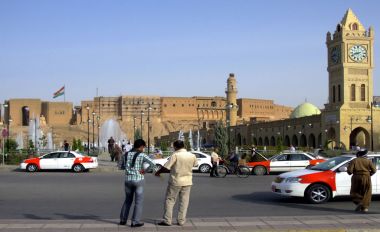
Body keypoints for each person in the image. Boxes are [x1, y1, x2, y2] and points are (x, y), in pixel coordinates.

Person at [155, 140, 198, 226]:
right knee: (184, 202)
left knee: (170, 200)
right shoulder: (192, 155)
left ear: (175, 147)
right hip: (187, 181)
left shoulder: (175, 155)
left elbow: (166, 167)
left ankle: (167, 220)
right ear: (183, 146)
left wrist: (158, 172)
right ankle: (181, 220)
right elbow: (195, 165)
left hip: (175, 181)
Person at [118, 139, 156, 227]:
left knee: (127, 201)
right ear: (141, 146)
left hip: (128, 180)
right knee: (138, 202)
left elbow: (121, 165)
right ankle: (135, 221)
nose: (144, 149)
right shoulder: (142, 155)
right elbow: (153, 164)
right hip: (139, 180)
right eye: (144, 147)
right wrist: (145, 171)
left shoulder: (126, 154)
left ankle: (123, 220)